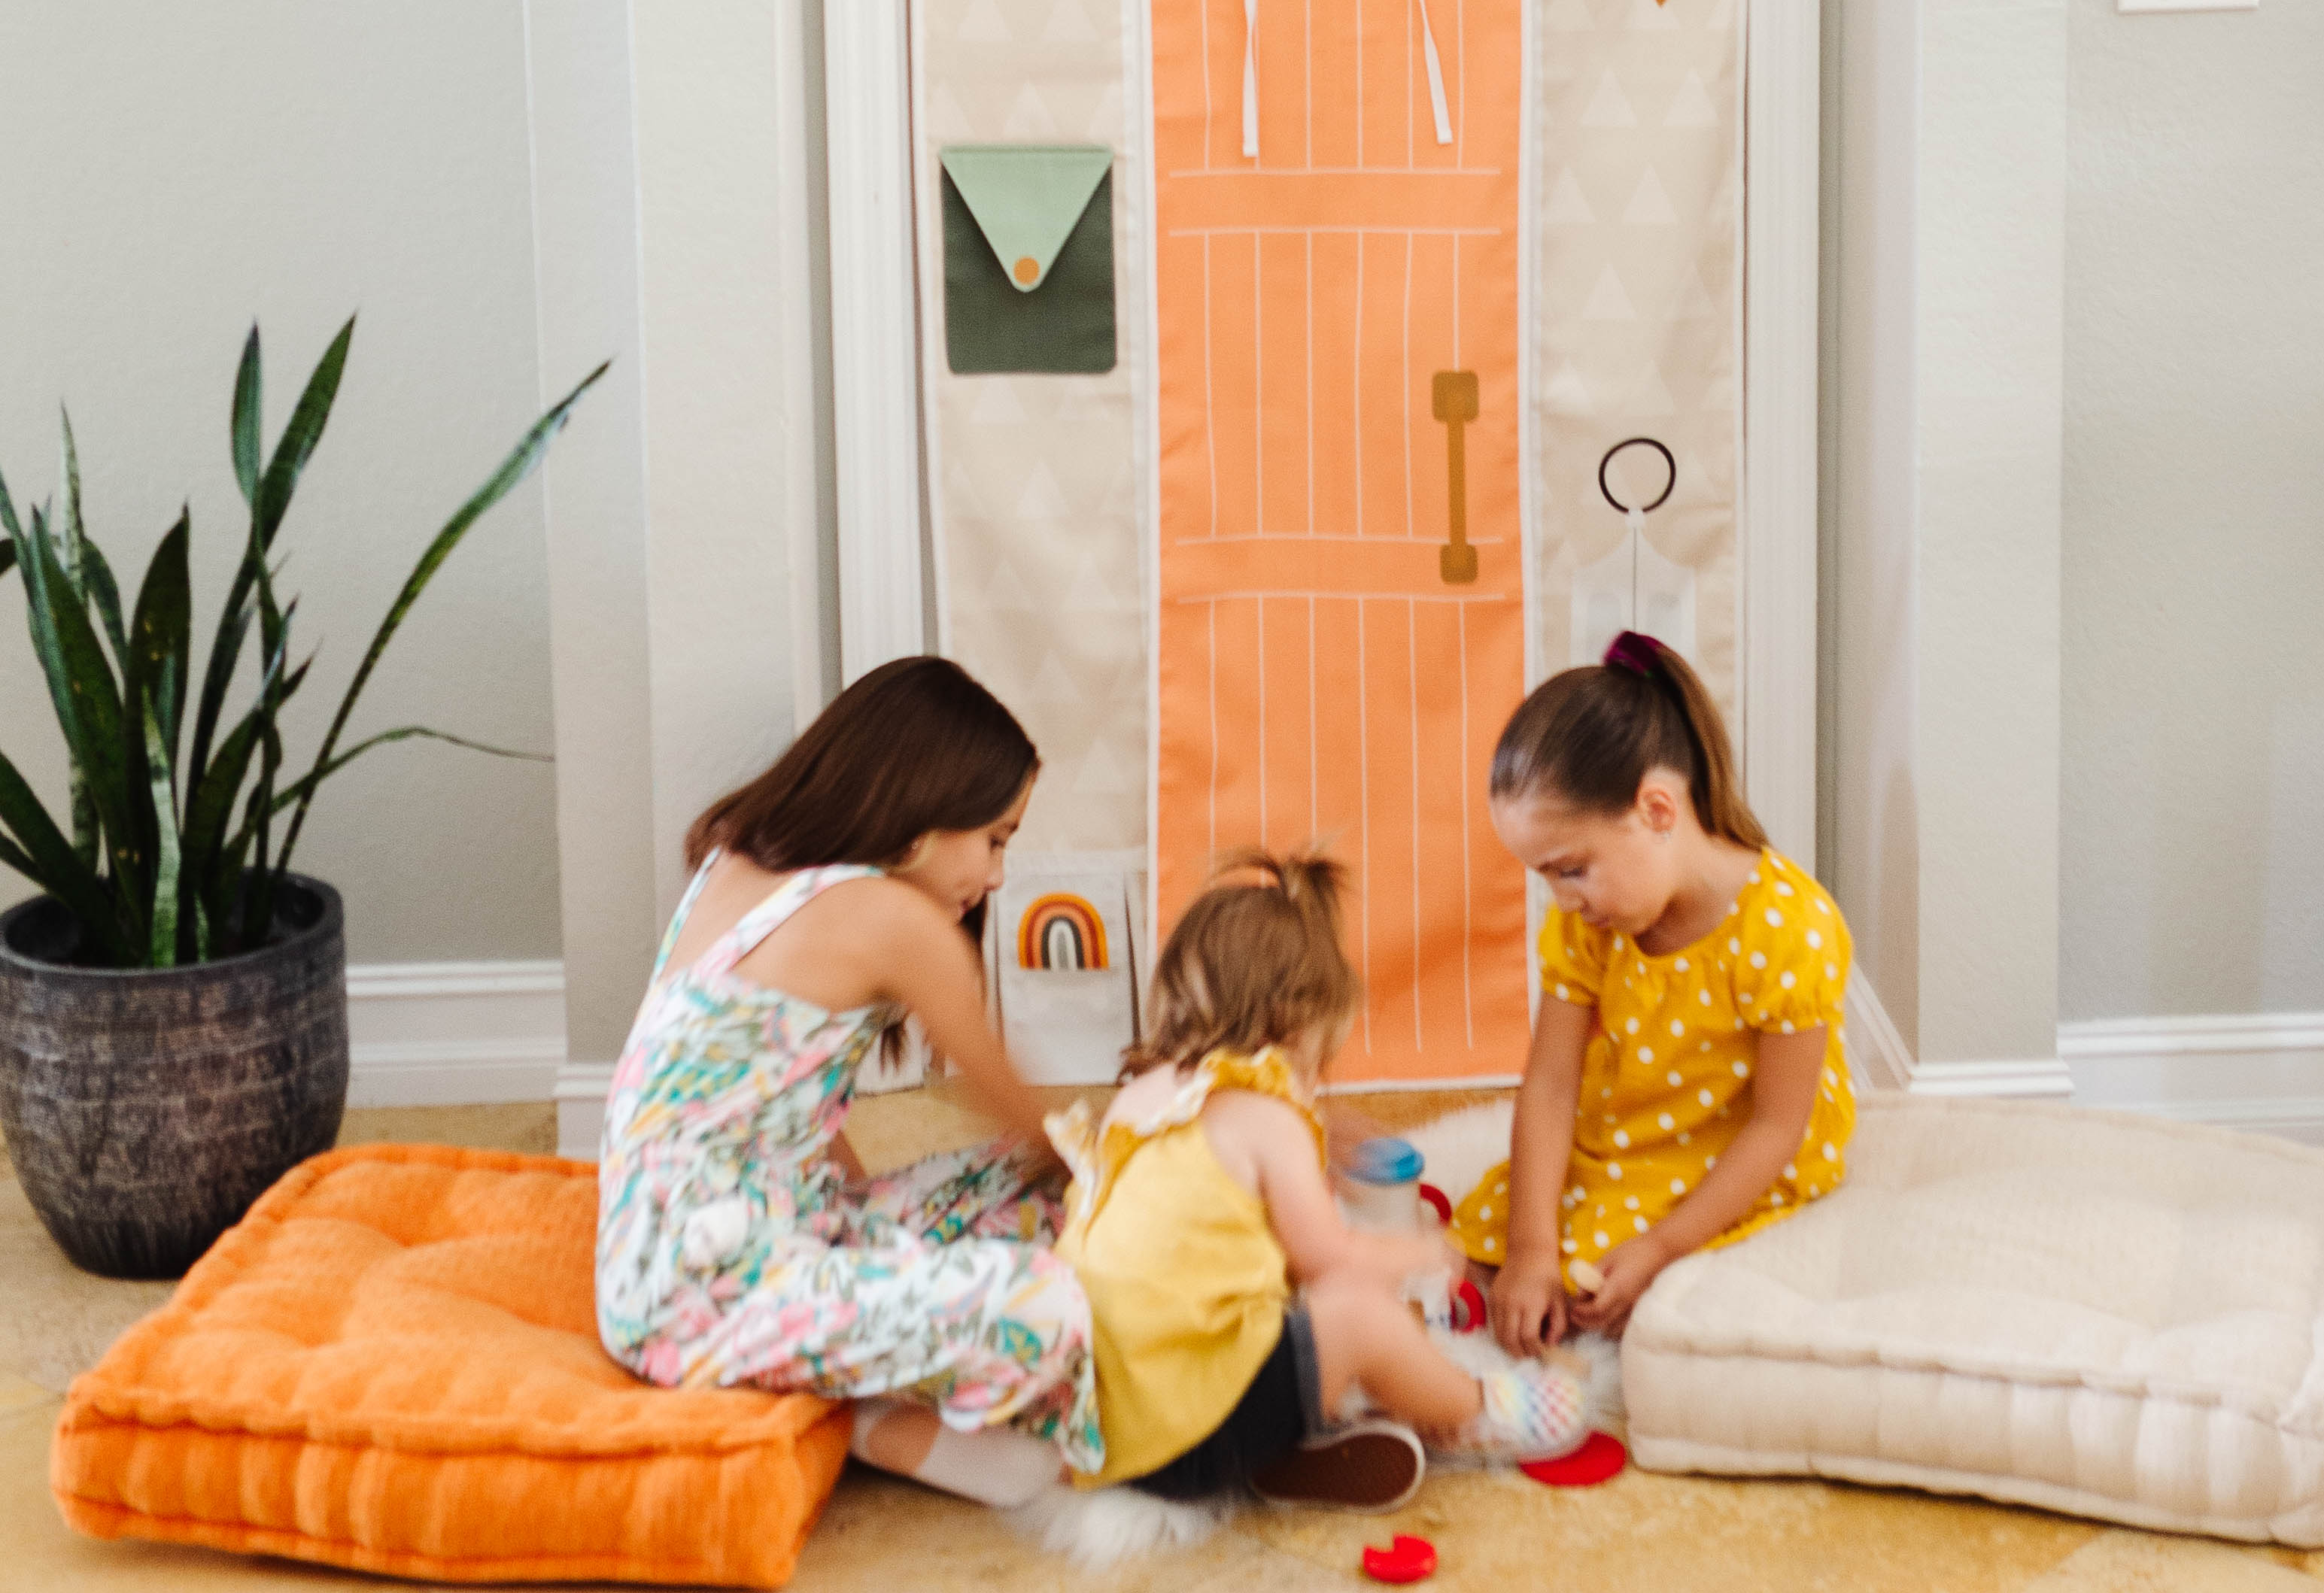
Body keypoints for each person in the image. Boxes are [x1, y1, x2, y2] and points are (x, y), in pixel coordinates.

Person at [596, 654, 1098, 1505]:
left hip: (710, 1239)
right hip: (697, 1297)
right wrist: (1131, 1166)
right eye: (995, 840)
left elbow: (773, 1093)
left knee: (1010, 1188)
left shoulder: (741, 863)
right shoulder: (891, 919)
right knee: (1052, 1298)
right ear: (923, 815)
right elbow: (1016, 1106)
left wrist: (873, 1228)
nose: (997, 875)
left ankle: (862, 1390)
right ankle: (858, 1419)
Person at [1059, 851, 1592, 1508]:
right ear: (1296, 1024)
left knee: (1294, 1318)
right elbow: (1328, 1257)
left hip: (1112, 1421)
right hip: (1192, 1432)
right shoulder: (1266, 1114)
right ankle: (1473, 1410)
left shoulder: (1142, 1101)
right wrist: (1421, 1252)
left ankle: (1296, 1447)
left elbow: (1215, 1248)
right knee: (1356, 1313)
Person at [1454, 630, 1855, 1350]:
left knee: (1607, 1276)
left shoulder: (1792, 929)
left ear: (1658, 811)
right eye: (1545, 875)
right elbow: (1549, 1084)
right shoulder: (1591, 922)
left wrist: (1662, 1246)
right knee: (1500, 1237)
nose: (1562, 899)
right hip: (1635, 1117)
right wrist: (1530, 1247)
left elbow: (1776, 1128)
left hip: (1739, 1142)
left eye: (1571, 868)